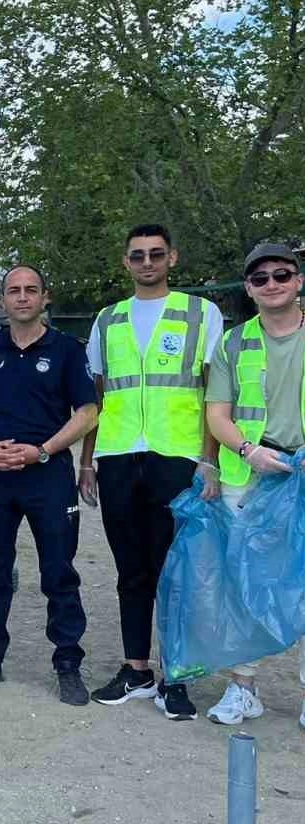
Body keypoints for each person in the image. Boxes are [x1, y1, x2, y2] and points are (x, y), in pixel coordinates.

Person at [80, 224, 224, 720]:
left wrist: (210, 460)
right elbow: (98, 397)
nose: (147, 262)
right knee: (130, 570)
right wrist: (86, 461)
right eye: (137, 255)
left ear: (172, 258)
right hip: (119, 457)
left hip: (176, 456)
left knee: (176, 572)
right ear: (125, 262)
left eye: (156, 254)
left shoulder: (200, 314)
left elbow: (213, 394)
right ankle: (136, 669)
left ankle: (176, 677)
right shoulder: (107, 319)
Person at [0, 266, 98, 706]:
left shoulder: (68, 350)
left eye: (31, 290)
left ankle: (67, 663)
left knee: (59, 571)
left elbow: (87, 413)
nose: (22, 297)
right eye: (13, 290)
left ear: (45, 298)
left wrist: (43, 450)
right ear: (2, 301)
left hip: (47, 474)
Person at [202, 242, 305, 730]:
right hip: (250, 473)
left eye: (281, 275)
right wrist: (249, 451)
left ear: (298, 281)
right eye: (260, 278)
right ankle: (244, 688)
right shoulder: (232, 342)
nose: (271, 284)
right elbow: (216, 414)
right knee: (242, 583)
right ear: (249, 288)